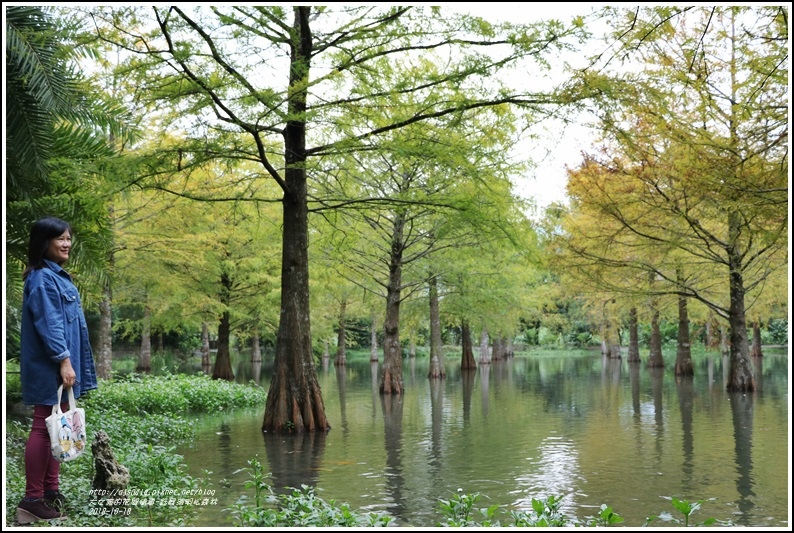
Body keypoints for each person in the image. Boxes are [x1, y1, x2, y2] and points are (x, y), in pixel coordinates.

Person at [16, 217, 98, 524]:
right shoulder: (42, 279)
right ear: (43, 243)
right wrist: (64, 360)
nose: (66, 244)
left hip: (60, 364)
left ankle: (51, 491)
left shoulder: (58, 277)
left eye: (68, 239)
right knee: (42, 425)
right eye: (59, 239)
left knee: (57, 424)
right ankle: (32, 499)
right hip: (50, 364)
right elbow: (49, 324)